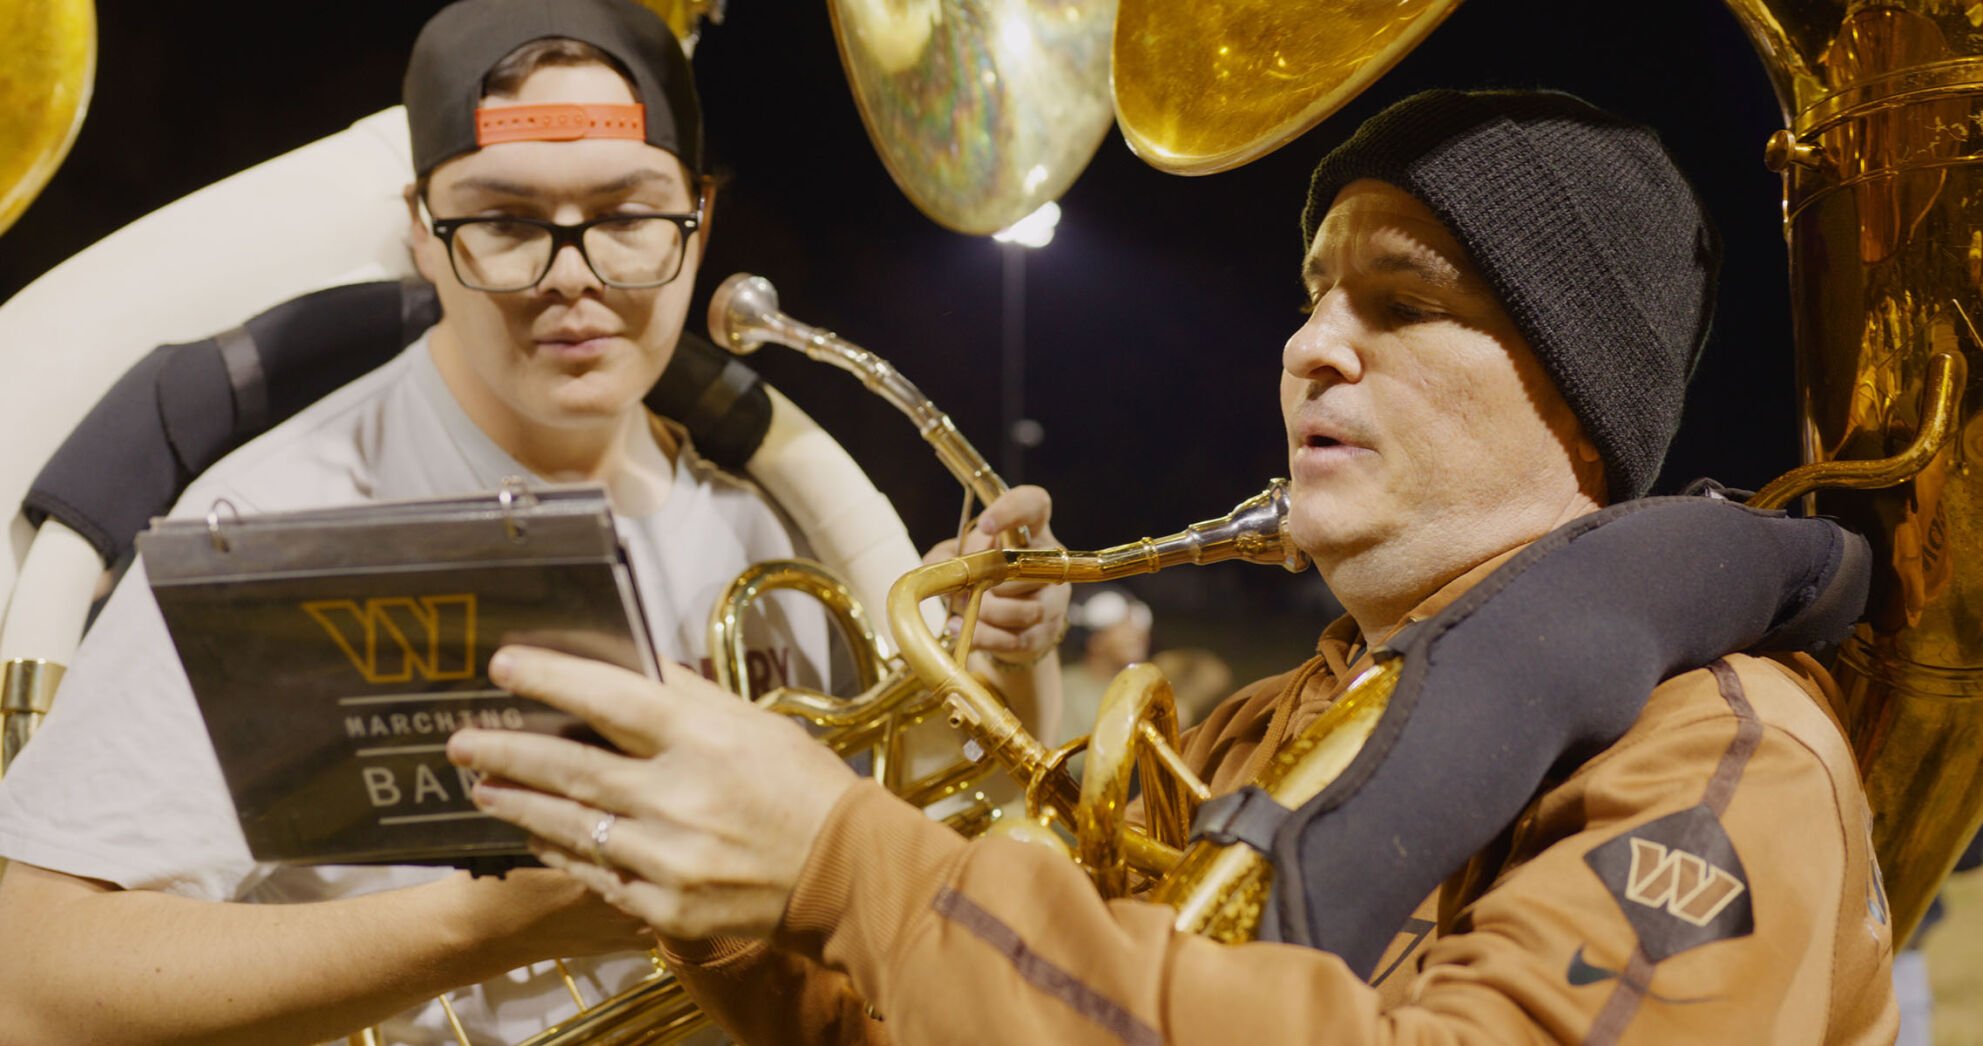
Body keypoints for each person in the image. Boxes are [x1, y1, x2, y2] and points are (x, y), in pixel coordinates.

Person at [448, 89, 1900, 1043]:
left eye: (1401, 303)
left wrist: (848, 861)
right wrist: (722, 881)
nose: (1310, 346)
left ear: (1578, 404)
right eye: (1314, 296)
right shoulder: (1257, 729)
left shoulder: (1721, 751)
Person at [0, 0, 1064, 1041]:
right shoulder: (267, 525)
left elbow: (930, 872)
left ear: (698, 222)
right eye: (506, 223)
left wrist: (998, 668)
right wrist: (493, 924)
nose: (573, 279)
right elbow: (33, 982)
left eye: (628, 218)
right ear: (423, 231)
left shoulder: (772, 522)